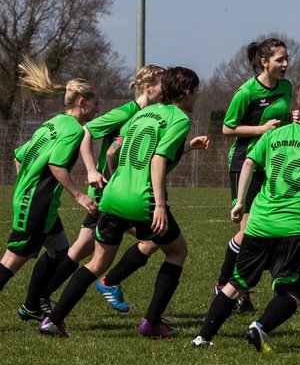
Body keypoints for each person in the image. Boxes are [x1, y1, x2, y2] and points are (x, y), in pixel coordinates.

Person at [41, 67, 206, 339]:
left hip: (112, 196)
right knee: (177, 252)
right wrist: (161, 206)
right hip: (142, 201)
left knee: (96, 263)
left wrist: (116, 176)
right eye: (196, 91)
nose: (197, 96)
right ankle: (152, 321)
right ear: (187, 92)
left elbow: (113, 151)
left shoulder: (142, 114)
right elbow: (157, 160)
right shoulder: (179, 119)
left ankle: (53, 318)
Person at [193, 80, 300, 352]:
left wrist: (239, 201)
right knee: (294, 293)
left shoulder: (274, 135)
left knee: (236, 283)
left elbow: (248, 162)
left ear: (299, 105)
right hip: (295, 226)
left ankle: (203, 336)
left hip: (259, 223)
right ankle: (259, 326)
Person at [0, 59, 99, 320]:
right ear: (81, 102)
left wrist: (27, 181)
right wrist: (79, 195)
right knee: (11, 261)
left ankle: (32, 305)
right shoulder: (75, 130)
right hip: (36, 205)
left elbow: (19, 156)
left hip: (39, 203)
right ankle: (33, 304)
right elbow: (56, 164)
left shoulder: (52, 123)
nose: (97, 108)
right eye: (94, 103)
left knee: (59, 252)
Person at [215, 39, 293, 312]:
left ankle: (240, 288)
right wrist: (260, 130)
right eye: (279, 60)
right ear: (264, 62)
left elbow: (282, 121)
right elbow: (227, 128)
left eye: (286, 59)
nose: (285, 64)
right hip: (243, 164)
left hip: (273, 164)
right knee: (248, 231)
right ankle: (228, 285)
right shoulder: (246, 92)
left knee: (266, 228)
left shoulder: (286, 87)